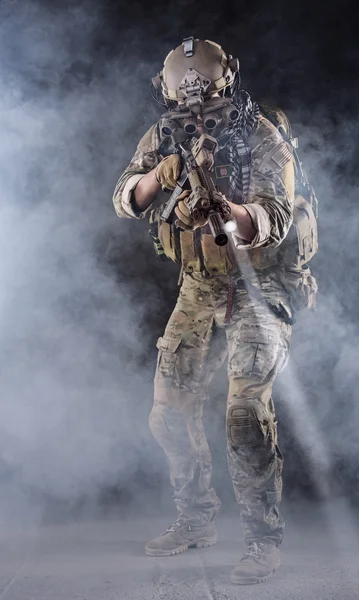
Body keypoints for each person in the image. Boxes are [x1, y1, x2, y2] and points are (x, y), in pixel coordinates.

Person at [112, 37, 318, 585]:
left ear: (228, 84)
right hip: (198, 285)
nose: (197, 116)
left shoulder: (262, 136)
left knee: (244, 416)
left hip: (259, 285)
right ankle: (196, 519)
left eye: (207, 106)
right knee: (168, 412)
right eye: (186, 105)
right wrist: (166, 175)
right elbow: (123, 197)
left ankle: (261, 540)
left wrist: (228, 210)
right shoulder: (164, 135)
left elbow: (274, 215)